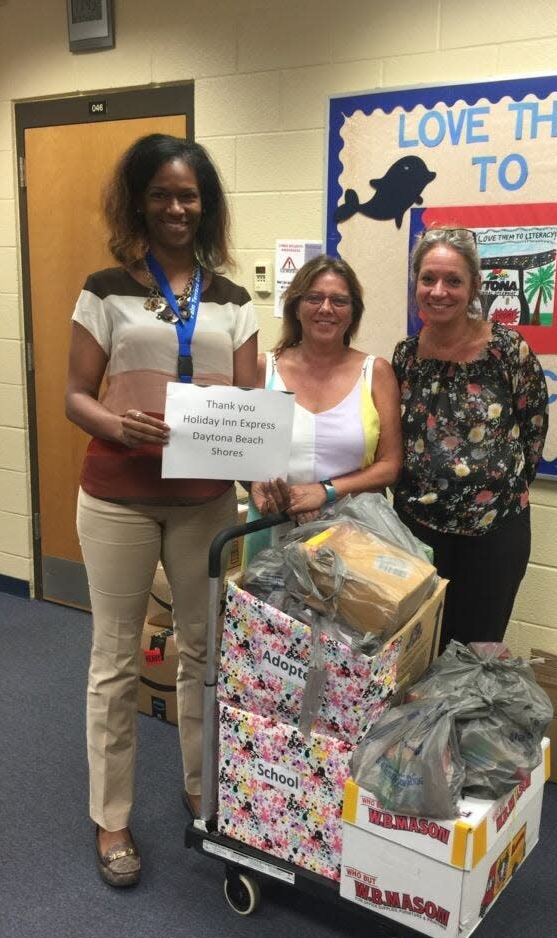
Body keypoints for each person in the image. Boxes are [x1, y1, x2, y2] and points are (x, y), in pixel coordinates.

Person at [65, 133, 258, 887]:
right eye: (163, 195)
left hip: (203, 500)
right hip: (117, 495)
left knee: (204, 653)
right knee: (114, 661)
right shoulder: (104, 286)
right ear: (139, 201)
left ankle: (201, 785)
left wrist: (260, 455)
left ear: (204, 206)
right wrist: (116, 424)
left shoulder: (233, 299)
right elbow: (77, 394)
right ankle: (111, 817)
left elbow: (250, 406)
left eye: (189, 196)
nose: (177, 207)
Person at [392, 226, 549, 650]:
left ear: (475, 286)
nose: (438, 291)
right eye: (428, 279)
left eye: (453, 280)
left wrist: (489, 489)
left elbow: (534, 433)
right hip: (418, 532)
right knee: (418, 651)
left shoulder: (507, 350)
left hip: (494, 535)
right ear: (416, 283)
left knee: (477, 654)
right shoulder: (405, 356)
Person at [244, 254, 402, 558]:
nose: (326, 309)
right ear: (296, 307)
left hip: (354, 536)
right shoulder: (263, 369)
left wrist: (323, 491)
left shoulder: (376, 372)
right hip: (272, 529)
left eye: (339, 301)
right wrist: (257, 486)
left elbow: (390, 466)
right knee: (268, 604)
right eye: (314, 298)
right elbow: (240, 449)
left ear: (353, 312)